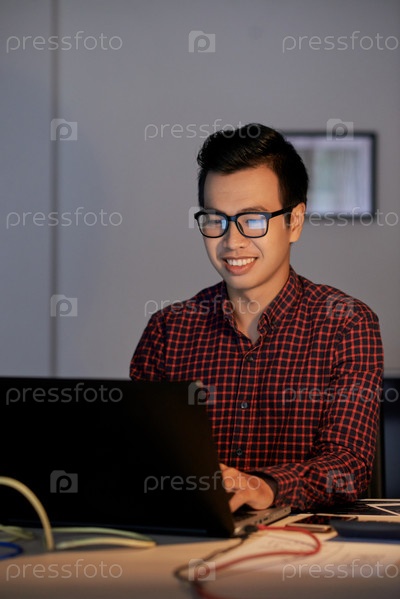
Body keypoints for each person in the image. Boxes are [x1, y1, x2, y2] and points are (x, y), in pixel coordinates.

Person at [129, 123, 384, 512]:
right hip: (193, 537)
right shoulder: (168, 330)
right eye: (215, 219)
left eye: (253, 219)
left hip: (302, 543)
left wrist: (264, 487)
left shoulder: (346, 324)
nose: (231, 241)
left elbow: (348, 466)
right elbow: (139, 458)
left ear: (294, 222)